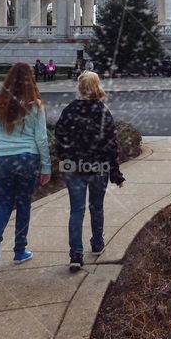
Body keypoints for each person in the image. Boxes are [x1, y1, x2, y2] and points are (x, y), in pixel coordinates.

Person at [0, 62, 52, 272]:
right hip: (26, 158)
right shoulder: (35, 105)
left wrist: (4, 135)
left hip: (1, 158)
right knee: (23, 203)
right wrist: (46, 166)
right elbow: (41, 139)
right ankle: (20, 251)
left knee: (3, 202)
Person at [54, 71, 125, 272]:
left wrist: (64, 157)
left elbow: (59, 137)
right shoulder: (103, 112)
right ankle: (96, 243)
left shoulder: (69, 110)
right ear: (97, 87)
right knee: (96, 207)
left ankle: (76, 253)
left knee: (76, 210)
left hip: (74, 167)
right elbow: (111, 145)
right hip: (98, 166)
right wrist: (115, 172)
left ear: (79, 87)